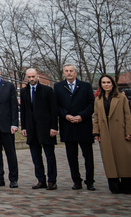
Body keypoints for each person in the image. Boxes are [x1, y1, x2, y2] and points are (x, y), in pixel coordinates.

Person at [92, 74, 131, 194]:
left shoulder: (121, 97)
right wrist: (96, 132)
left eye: (108, 82)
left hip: (120, 131)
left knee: (124, 158)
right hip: (105, 132)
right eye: (104, 83)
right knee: (109, 159)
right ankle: (114, 185)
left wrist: (129, 131)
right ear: (100, 85)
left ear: (113, 84)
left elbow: (127, 115)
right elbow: (96, 117)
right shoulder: (98, 99)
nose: (106, 85)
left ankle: (128, 185)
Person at [54, 63, 95, 191]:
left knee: (88, 156)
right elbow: (56, 105)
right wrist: (66, 115)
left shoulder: (86, 86)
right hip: (67, 126)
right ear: (64, 73)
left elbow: (91, 104)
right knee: (72, 157)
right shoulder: (58, 86)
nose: (69, 73)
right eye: (66, 71)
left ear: (75, 72)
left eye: (71, 70)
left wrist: (81, 116)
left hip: (84, 125)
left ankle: (90, 181)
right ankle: (76, 181)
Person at [20, 67, 58, 190]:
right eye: (29, 77)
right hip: (31, 129)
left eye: (33, 76)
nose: (31, 79)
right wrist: (24, 127)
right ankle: (41, 180)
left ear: (37, 76)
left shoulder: (47, 90)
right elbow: (23, 111)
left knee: (50, 156)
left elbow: (53, 110)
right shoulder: (24, 91)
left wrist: (54, 127)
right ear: (27, 78)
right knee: (36, 157)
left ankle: (52, 181)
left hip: (46, 129)